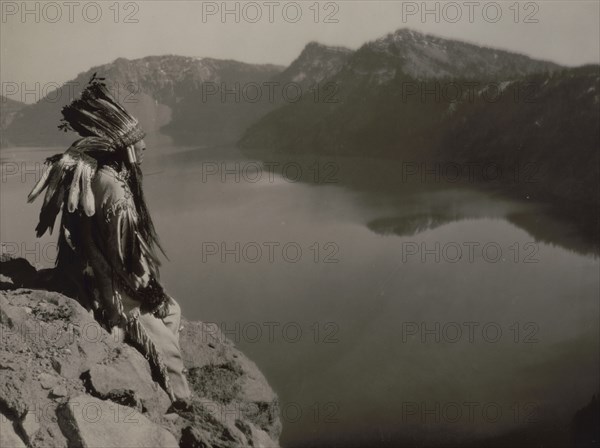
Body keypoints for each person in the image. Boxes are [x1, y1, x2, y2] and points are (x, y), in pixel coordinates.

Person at [27, 74, 191, 402]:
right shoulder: (113, 188)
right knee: (169, 352)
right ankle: (176, 404)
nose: (143, 146)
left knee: (172, 311)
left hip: (98, 278)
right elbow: (124, 259)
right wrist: (150, 294)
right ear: (120, 148)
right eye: (137, 141)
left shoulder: (100, 177)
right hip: (115, 295)